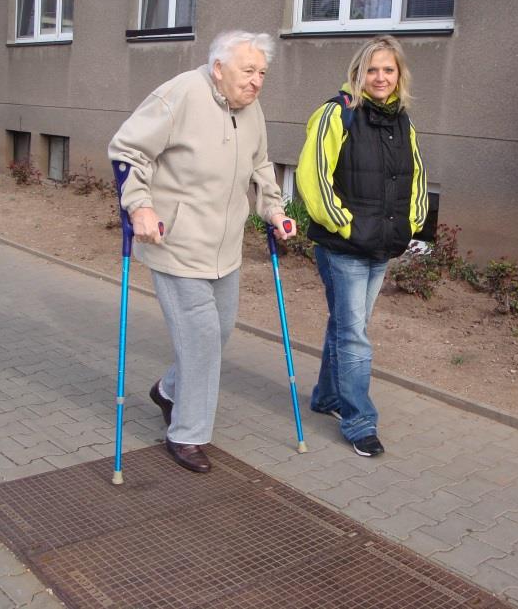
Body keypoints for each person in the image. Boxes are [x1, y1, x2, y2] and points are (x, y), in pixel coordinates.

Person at [108, 30, 294, 474]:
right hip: (175, 243)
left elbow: (262, 163)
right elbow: (128, 151)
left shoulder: (251, 109)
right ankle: (187, 434)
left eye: (262, 73)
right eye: (248, 71)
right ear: (218, 69)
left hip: (225, 247)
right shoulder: (180, 95)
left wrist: (273, 209)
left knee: (221, 331)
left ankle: (168, 390)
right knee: (201, 339)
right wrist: (141, 206)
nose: (256, 82)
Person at [296, 36, 428, 457]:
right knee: (355, 336)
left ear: (399, 75)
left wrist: (413, 222)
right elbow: (312, 177)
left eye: (389, 70)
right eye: (373, 70)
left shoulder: (402, 121)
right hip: (345, 246)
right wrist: (345, 225)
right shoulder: (338, 114)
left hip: (381, 245)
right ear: (358, 73)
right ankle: (359, 421)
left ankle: (327, 397)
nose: (381, 77)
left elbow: (417, 177)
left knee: (346, 326)